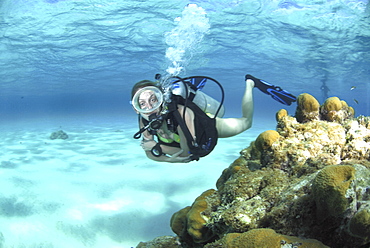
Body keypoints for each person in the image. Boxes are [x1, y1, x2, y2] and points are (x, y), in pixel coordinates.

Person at [131, 74, 296, 163]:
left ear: (162, 98)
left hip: (205, 125)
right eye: (142, 103)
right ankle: (193, 89)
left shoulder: (181, 113)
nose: (149, 108)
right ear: (135, 107)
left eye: (154, 99)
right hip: (184, 136)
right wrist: (166, 157)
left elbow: (187, 153)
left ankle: (251, 83)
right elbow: (150, 153)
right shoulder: (143, 118)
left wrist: (159, 148)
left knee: (246, 122)